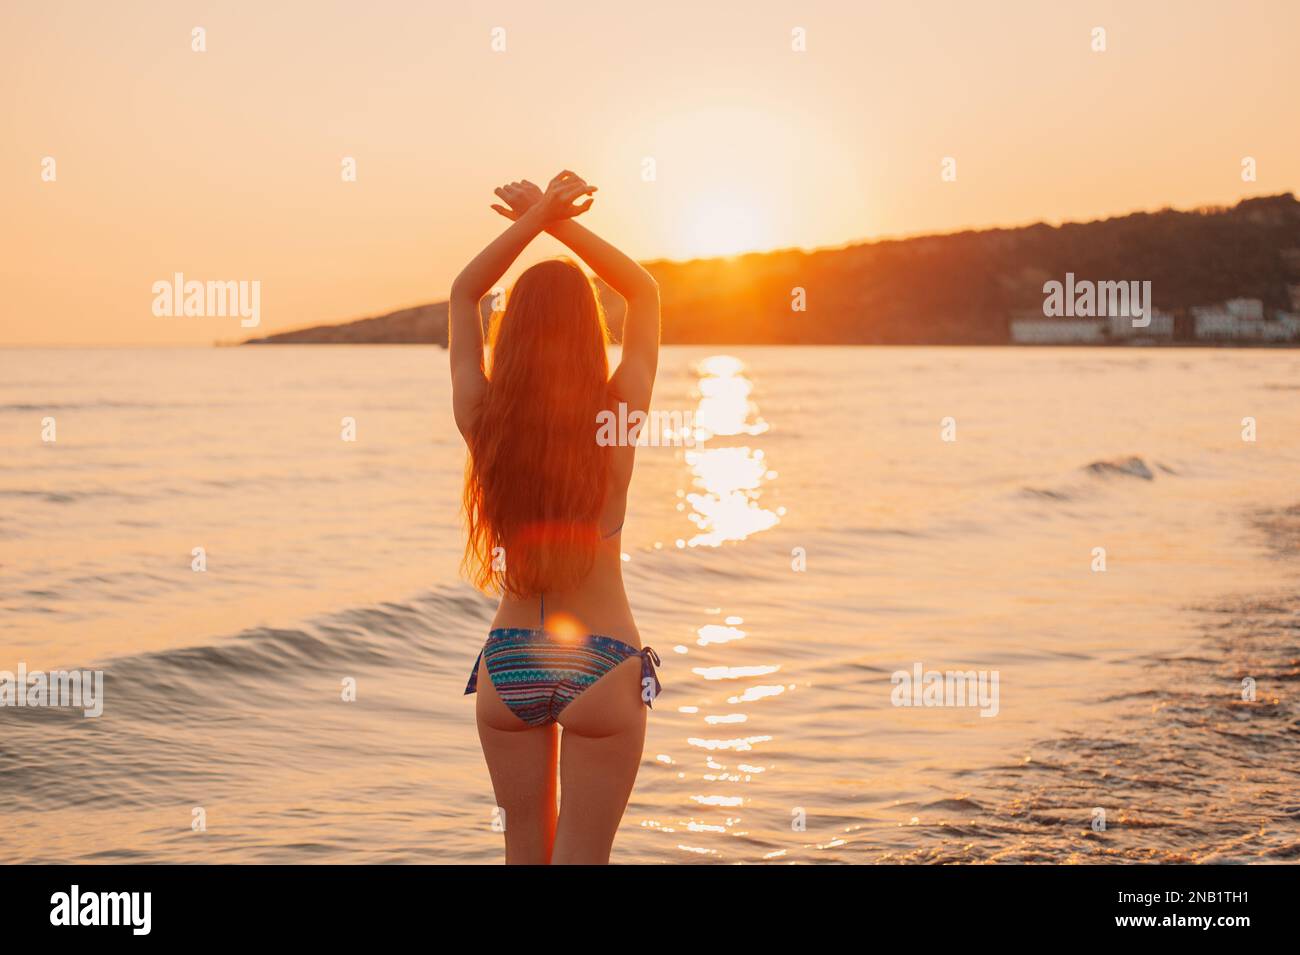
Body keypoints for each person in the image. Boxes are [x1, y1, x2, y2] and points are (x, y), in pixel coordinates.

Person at [449, 171, 662, 864]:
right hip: (601, 666)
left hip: (508, 665)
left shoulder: (486, 422)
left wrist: (532, 218)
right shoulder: (614, 420)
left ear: (511, 335)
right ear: (587, 331)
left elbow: (462, 295)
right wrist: (559, 220)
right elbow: (644, 292)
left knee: (523, 854)